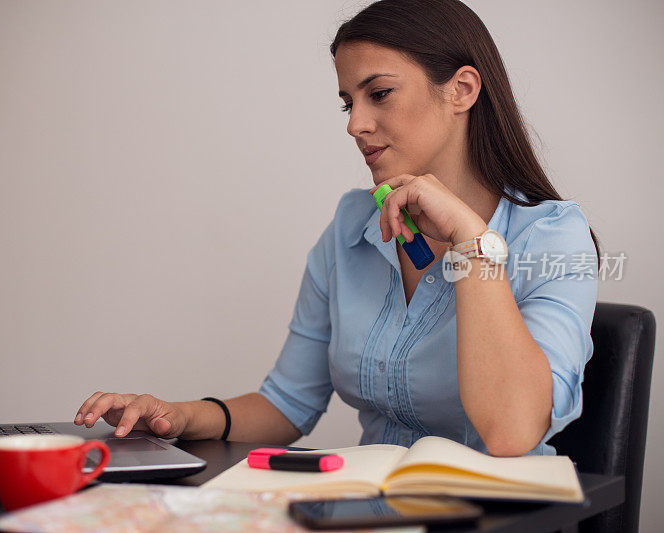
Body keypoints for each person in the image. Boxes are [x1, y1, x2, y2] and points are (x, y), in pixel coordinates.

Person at [74, 0, 599, 457]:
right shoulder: (354, 226)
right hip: (370, 508)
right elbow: (288, 404)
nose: (355, 124)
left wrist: (470, 239)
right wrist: (178, 417)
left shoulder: (553, 237)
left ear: (461, 90)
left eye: (380, 93)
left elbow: (512, 432)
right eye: (349, 102)